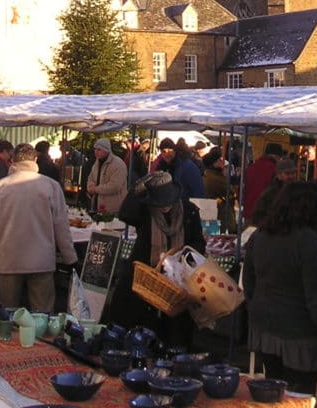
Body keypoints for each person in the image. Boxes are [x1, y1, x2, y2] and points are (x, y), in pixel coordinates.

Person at [243, 181, 317, 396]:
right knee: (299, 396)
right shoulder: (308, 241)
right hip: (299, 334)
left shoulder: (260, 236)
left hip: (267, 328)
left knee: (274, 392)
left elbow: (249, 283)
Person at [0, 142, 77, 312]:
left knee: (7, 315)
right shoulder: (51, 186)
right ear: (35, 159)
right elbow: (61, 226)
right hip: (42, 259)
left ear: (12, 161)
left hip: (8, 259)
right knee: (43, 314)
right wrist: (70, 258)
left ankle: (7, 339)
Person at [114, 171, 205, 345]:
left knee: (176, 331)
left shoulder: (189, 211)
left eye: (167, 202)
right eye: (160, 202)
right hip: (148, 277)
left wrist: (181, 257)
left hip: (178, 280)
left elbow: (198, 242)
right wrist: (138, 189)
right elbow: (125, 214)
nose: (164, 206)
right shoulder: (146, 212)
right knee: (143, 327)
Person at [251, 156, 298, 227]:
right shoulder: (270, 193)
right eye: (287, 173)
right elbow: (258, 216)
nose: (291, 176)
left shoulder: (298, 192)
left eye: (293, 173)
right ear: (279, 175)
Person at [86, 137, 128, 215]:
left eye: (99, 149)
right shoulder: (96, 164)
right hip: (97, 207)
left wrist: (95, 189)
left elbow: (115, 186)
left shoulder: (118, 164)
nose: (96, 152)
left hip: (113, 209)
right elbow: (90, 178)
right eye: (95, 149)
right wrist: (90, 186)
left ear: (106, 150)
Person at [242, 143, 282, 221]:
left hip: (249, 213)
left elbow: (241, 190)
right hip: (266, 215)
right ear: (277, 156)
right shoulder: (275, 170)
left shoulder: (250, 168)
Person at [202, 148, 236, 233]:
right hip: (220, 216)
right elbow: (231, 192)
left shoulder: (210, 175)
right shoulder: (215, 178)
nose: (223, 162)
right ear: (215, 162)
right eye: (221, 159)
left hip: (216, 215)